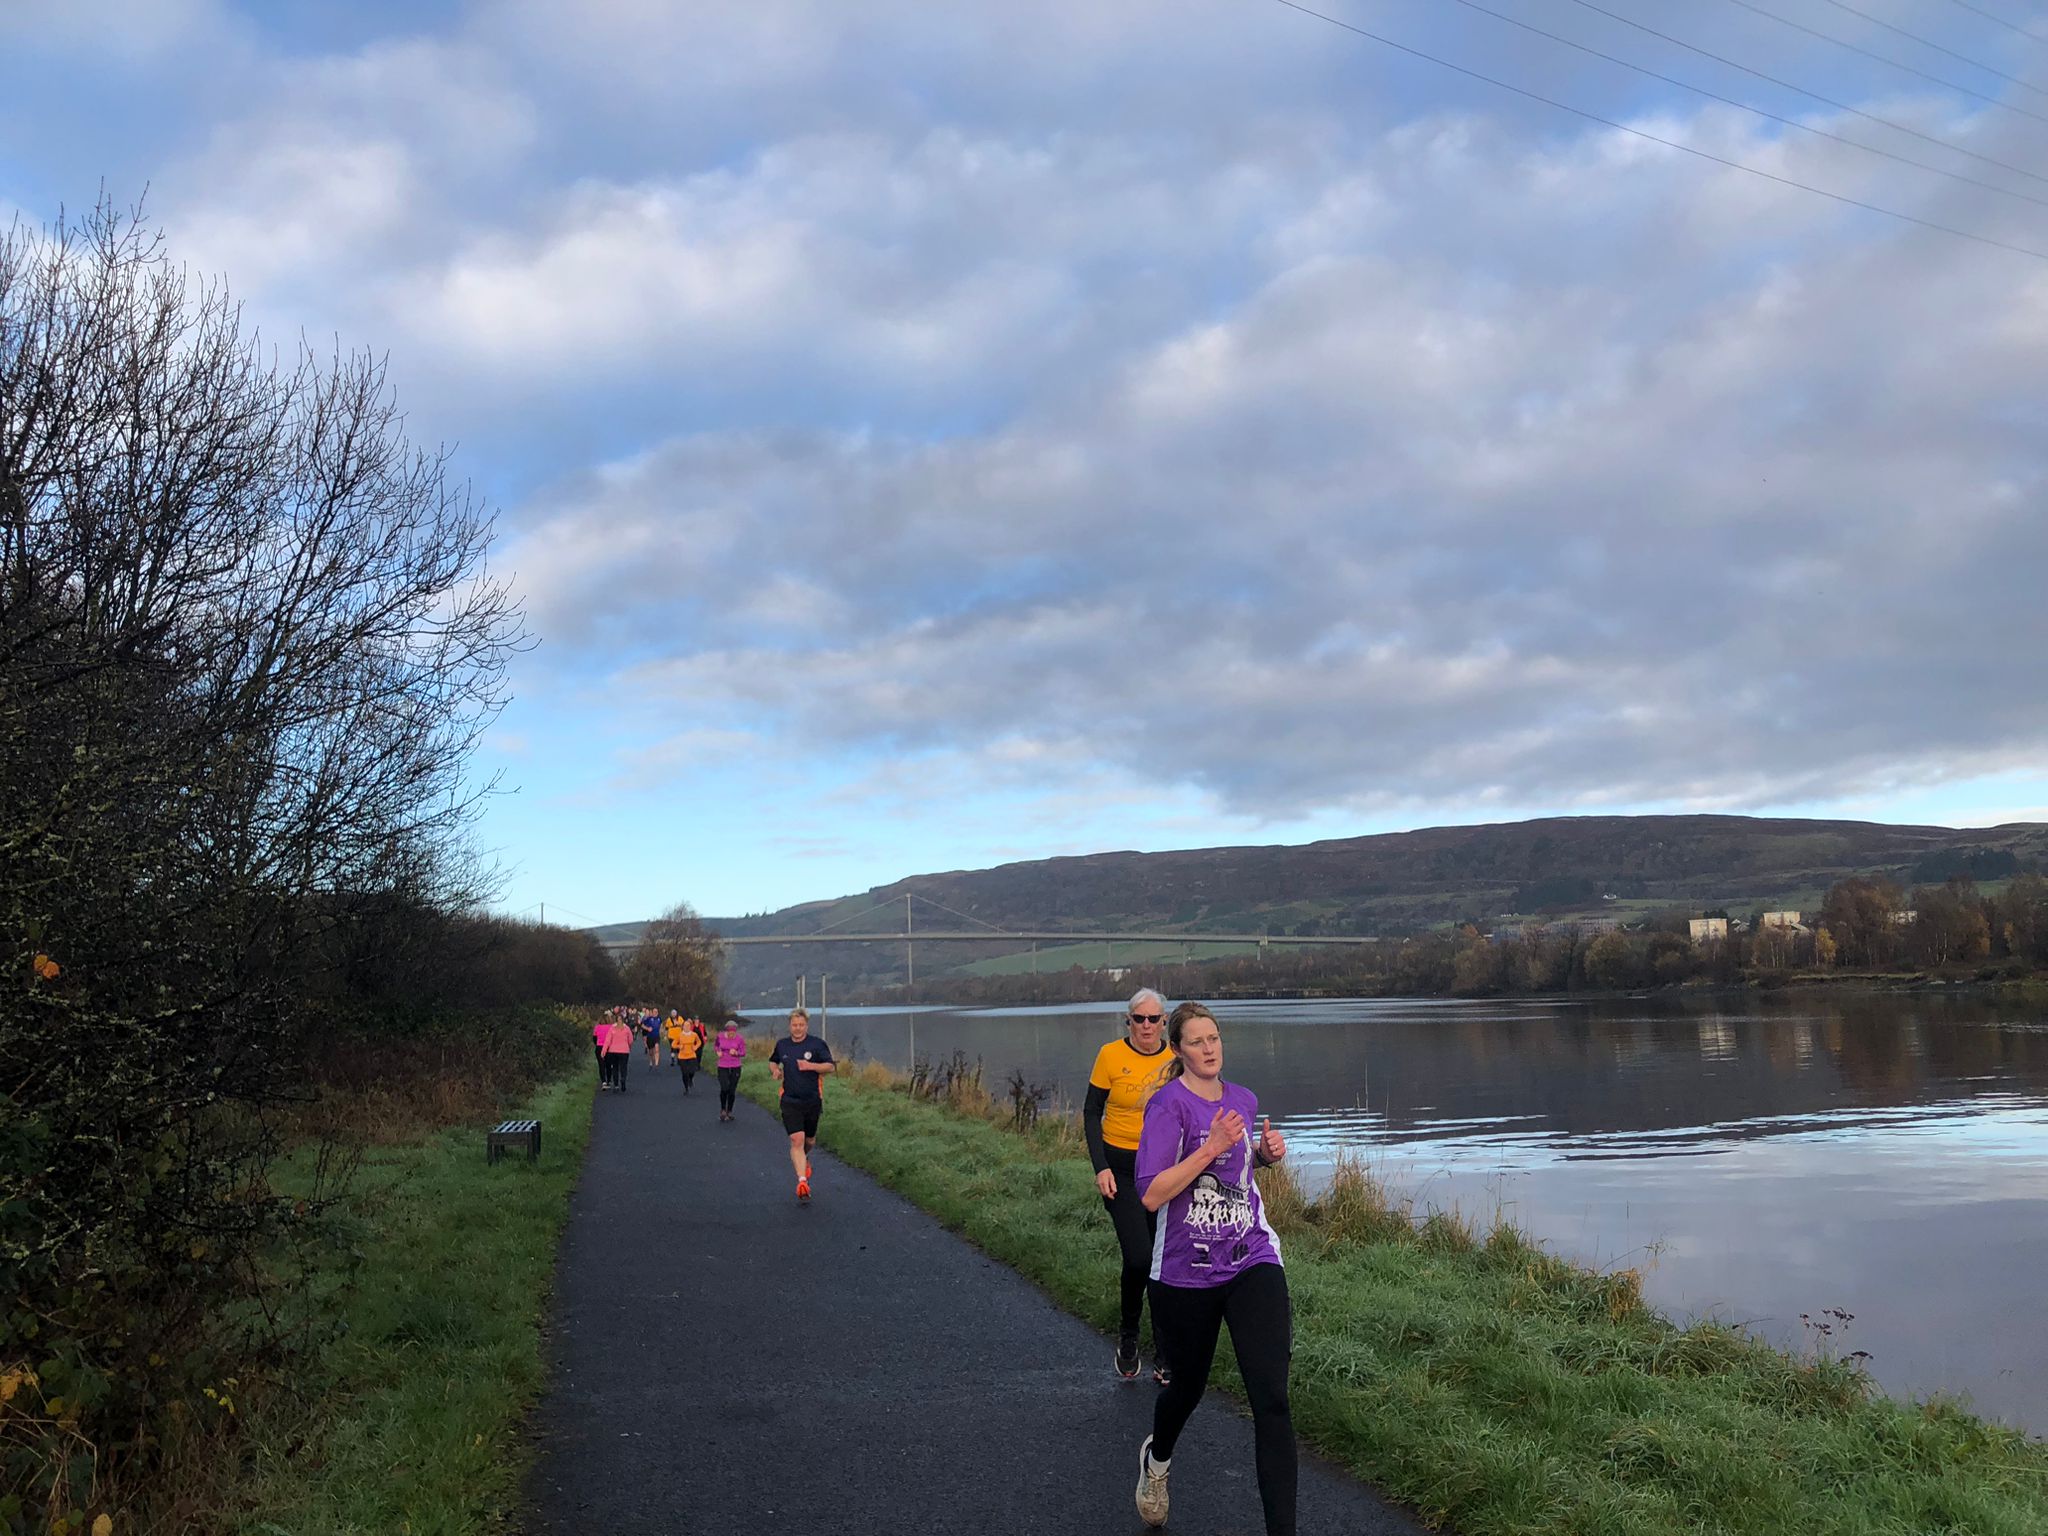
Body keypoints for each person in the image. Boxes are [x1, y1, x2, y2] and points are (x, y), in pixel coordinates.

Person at [1131, 1002, 1293, 1534]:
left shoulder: (1242, 1100)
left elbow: (1238, 1169)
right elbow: (1152, 1195)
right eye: (1197, 1041)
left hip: (1252, 1258)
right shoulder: (1166, 1107)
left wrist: (1264, 1155)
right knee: (1187, 1389)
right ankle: (1158, 1461)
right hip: (1184, 1273)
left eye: (1215, 1038)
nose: (1209, 1048)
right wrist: (1211, 1147)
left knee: (1271, 1399)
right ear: (1178, 1050)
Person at [1085, 987, 1176, 1381]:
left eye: (1154, 1019)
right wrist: (1100, 1167)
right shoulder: (1110, 1055)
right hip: (1120, 1171)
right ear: (1129, 1021)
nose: (1146, 1026)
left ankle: (1165, 1352)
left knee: (1162, 1262)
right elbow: (1091, 1112)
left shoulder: (1176, 1059)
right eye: (1139, 1019)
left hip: (1162, 1172)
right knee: (1139, 1257)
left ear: (1164, 1023)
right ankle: (1128, 1335)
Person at [767, 1007, 834, 1200]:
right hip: (789, 1100)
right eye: (794, 1025)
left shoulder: (817, 1044)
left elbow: (829, 1066)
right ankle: (802, 1181)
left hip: (812, 1099)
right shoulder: (782, 1045)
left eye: (801, 1025)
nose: (798, 1029)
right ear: (790, 1026)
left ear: (806, 1025)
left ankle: (805, 1159)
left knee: (809, 1141)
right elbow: (773, 1061)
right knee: (797, 1140)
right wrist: (775, 1070)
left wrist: (811, 1066)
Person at [714, 1017, 748, 1122]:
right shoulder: (719, 1037)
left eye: (733, 1033)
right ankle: (723, 1109)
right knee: (724, 1088)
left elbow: (743, 1052)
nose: (731, 1035)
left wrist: (737, 1053)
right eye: (729, 1033)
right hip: (722, 1065)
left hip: (735, 1066)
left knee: (732, 1090)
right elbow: (716, 1046)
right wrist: (718, 1052)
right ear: (726, 1031)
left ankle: (729, 1111)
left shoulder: (740, 1039)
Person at [669, 1012, 703, 1093]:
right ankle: (686, 1088)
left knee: (692, 1071)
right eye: (685, 1026)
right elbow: (673, 1044)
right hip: (682, 1057)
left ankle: (691, 1079)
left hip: (692, 1055)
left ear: (690, 1027)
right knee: (684, 1073)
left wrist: (695, 1047)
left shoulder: (694, 1035)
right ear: (682, 1027)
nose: (687, 1027)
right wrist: (678, 1046)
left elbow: (699, 1042)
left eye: (688, 1026)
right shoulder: (680, 1035)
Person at [601, 1012, 636, 1092]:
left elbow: (607, 1041)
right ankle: (623, 1079)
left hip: (613, 1051)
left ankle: (616, 1085)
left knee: (615, 1068)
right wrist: (629, 1047)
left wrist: (604, 1050)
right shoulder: (626, 1028)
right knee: (623, 1067)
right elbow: (630, 1040)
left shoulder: (612, 1029)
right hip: (624, 1051)